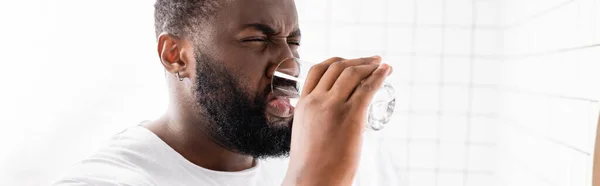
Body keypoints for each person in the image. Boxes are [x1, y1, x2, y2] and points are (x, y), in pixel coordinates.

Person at [53, 0, 393, 185]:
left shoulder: (296, 157)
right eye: (257, 40)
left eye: (294, 42)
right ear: (177, 56)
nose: (290, 66)